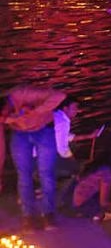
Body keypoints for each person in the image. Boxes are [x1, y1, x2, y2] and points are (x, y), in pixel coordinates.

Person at [1, 85, 66, 230]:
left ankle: (48, 213)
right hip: (20, 134)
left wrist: (36, 111)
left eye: (4, 116)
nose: (4, 119)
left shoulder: (24, 93)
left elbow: (60, 96)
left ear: (5, 105)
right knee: (23, 175)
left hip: (43, 130)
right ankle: (28, 216)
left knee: (46, 173)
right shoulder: (5, 116)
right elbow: (1, 144)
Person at [71, 139, 111, 222]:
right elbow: (103, 202)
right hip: (84, 207)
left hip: (75, 203)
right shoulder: (107, 172)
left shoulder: (96, 166)